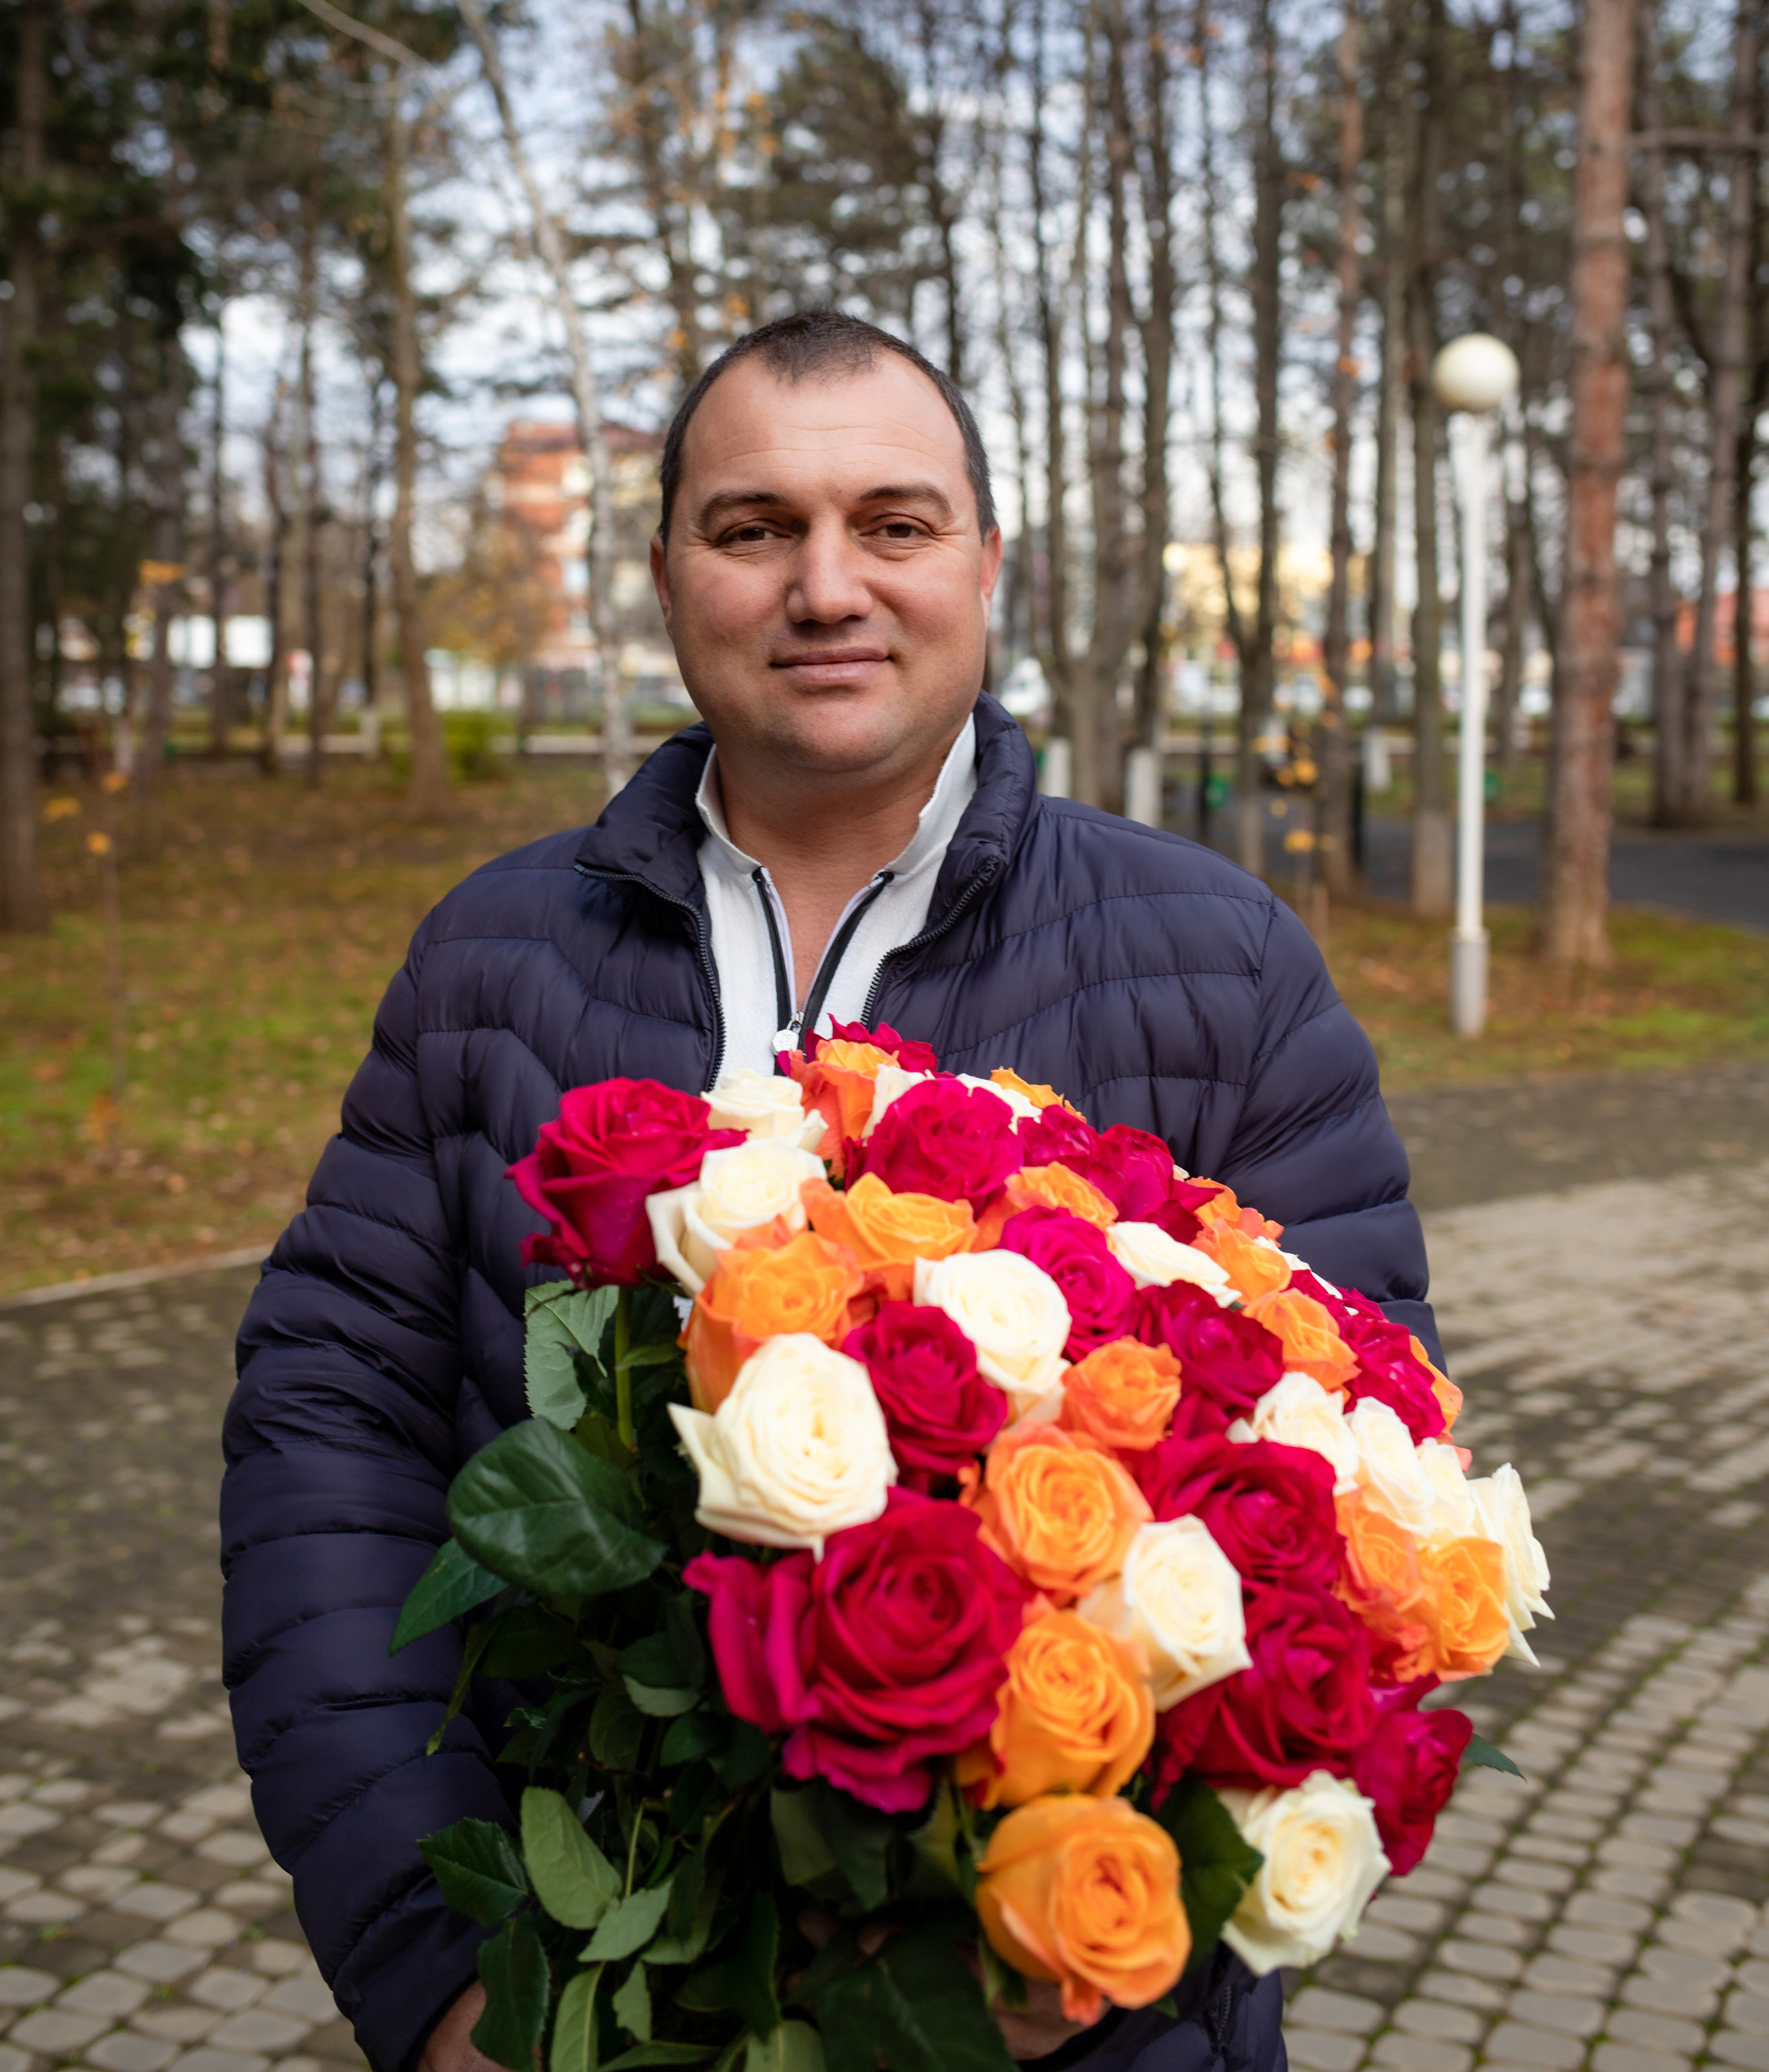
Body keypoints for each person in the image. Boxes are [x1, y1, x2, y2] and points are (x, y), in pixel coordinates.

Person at [222, 310, 1437, 2072]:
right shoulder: (495, 956)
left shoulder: (1217, 964)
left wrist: (1105, 1941)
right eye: (751, 528)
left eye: (891, 523)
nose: (824, 587)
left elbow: (1352, 1526)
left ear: (983, 561)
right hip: (570, 2002)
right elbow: (330, 1442)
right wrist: (441, 1972)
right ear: (664, 576)